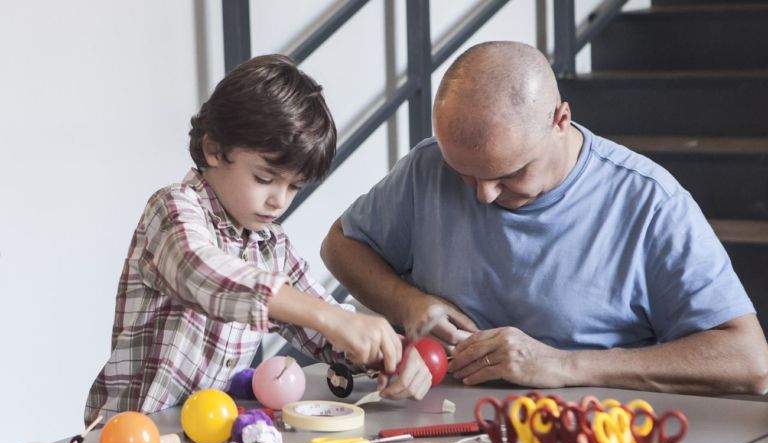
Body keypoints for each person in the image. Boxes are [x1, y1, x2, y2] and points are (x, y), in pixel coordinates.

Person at [321, 41, 768, 395]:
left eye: (510, 173)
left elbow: (748, 360)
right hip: (445, 420)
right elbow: (340, 242)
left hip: (596, 439)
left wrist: (562, 364)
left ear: (560, 119)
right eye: (465, 175)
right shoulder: (427, 168)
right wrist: (409, 303)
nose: (483, 195)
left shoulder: (649, 202)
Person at [85, 55, 430, 423]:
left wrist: (391, 352)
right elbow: (202, 272)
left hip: (201, 438)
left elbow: (321, 325)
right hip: (127, 438)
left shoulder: (271, 245)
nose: (278, 200)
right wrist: (330, 318)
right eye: (265, 178)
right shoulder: (172, 208)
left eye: (294, 186)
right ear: (214, 150)